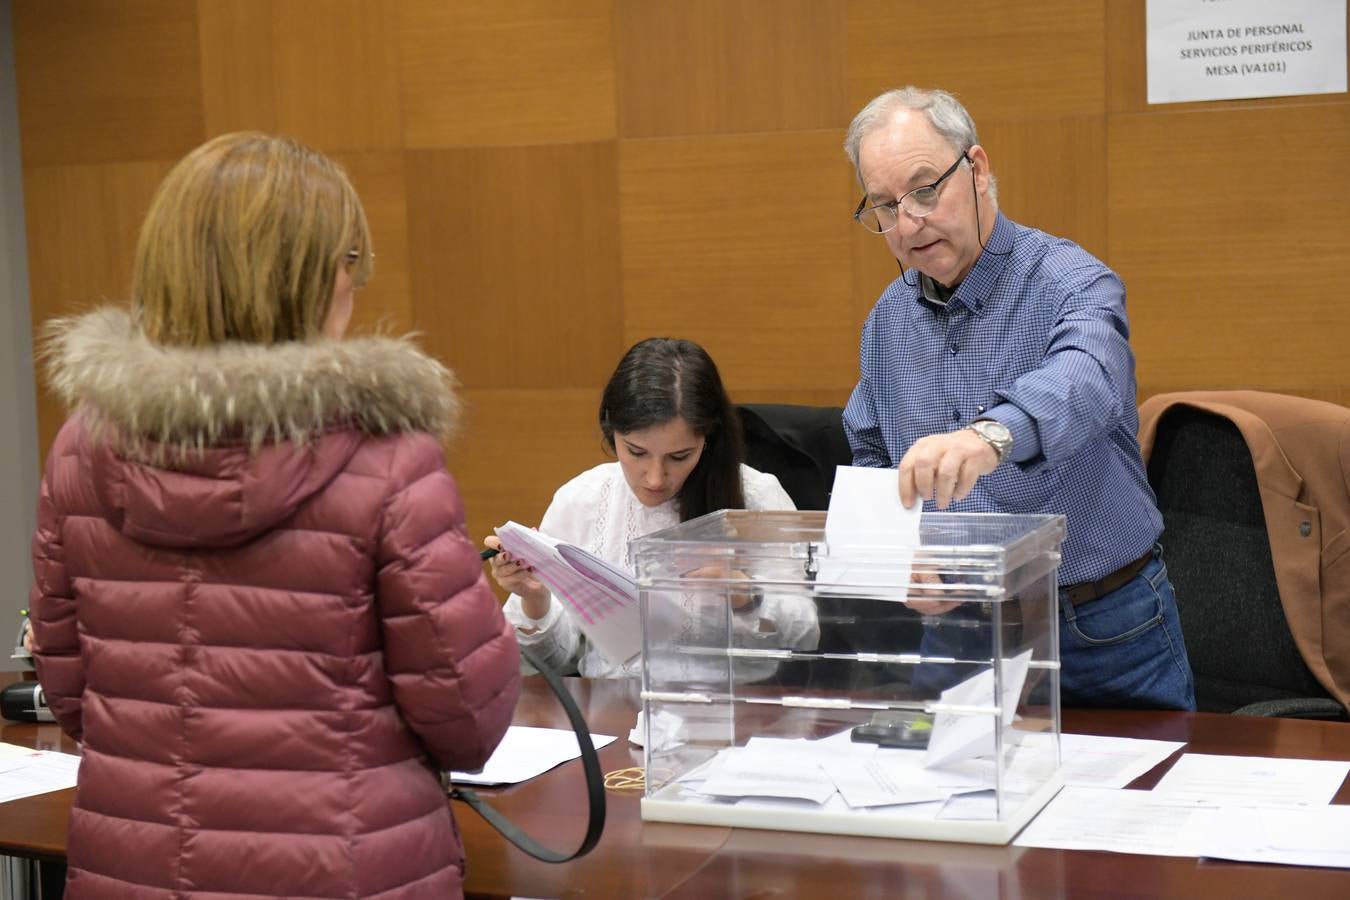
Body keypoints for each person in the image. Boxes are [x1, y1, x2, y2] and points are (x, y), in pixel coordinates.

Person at [28, 132, 521, 899]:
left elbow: (70, 696)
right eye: (349, 260)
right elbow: (467, 717)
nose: (354, 284)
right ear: (315, 275)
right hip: (343, 870)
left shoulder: (79, 449)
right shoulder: (388, 458)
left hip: (132, 869)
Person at [841, 87, 1195, 710]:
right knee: (936, 803)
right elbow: (870, 451)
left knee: (1137, 802)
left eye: (926, 190)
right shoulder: (886, 323)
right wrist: (898, 553)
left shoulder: (1071, 281)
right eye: (885, 206)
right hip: (960, 630)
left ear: (976, 170)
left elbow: (1087, 380)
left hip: (1100, 624)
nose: (909, 221)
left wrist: (988, 438)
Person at [484, 338, 820, 681]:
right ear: (610, 429)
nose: (655, 478)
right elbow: (549, 663)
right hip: (612, 711)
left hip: (735, 714)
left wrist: (746, 596)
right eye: (636, 451)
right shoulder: (582, 499)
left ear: (708, 439)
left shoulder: (756, 496)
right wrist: (535, 599)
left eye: (679, 456)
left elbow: (806, 634)